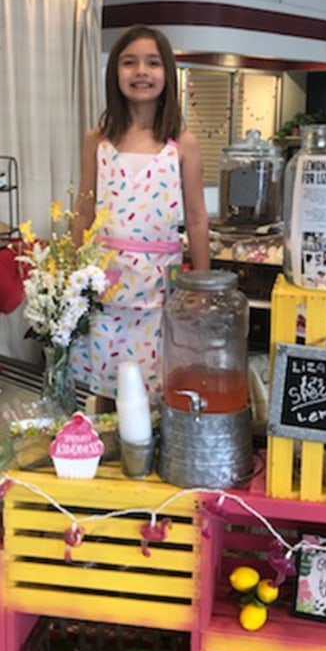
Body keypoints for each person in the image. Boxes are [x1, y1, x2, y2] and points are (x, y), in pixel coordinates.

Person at [71, 24, 210, 404]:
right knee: (106, 379)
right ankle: (104, 448)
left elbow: (197, 219)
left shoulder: (182, 143)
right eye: (129, 63)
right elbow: (83, 209)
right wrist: (72, 272)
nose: (141, 72)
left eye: (152, 63)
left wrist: (200, 283)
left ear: (167, 73)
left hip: (158, 286)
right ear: (114, 72)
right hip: (106, 281)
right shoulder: (97, 140)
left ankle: (149, 452)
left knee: (154, 381)